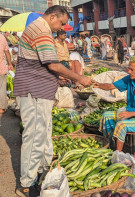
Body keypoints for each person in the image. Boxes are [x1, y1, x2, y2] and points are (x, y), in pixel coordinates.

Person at [13, 6, 93, 197]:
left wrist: (57, 78)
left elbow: (42, 64)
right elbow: (53, 64)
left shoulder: (40, 27)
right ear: (53, 16)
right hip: (35, 91)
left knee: (43, 133)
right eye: (62, 23)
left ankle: (42, 171)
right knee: (35, 137)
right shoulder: (42, 30)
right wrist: (79, 78)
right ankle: (26, 184)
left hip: (38, 89)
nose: (62, 28)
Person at [97, 56, 135, 151]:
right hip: (130, 113)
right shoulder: (129, 80)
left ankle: (117, 154)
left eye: (132, 69)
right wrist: (97, 84)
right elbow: (110, 86)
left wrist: (130, 114)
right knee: (106, 116)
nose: (129, 72)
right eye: (129, 69)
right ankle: (110, 146)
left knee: (121, 125)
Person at [0, 33, 13, 114]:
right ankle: (1, 108)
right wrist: (10, 64)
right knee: (1, 88)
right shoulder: (1, 37)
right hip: (1, 68)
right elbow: (7, 51)